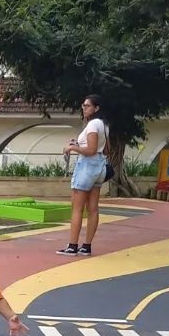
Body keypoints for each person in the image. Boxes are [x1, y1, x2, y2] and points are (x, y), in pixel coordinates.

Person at [57, 95, 108, 256]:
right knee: (93, 209)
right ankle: (86, 246)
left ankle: (72, 245)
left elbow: (91, 150)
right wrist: (80, 145)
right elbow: (105, 149)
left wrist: (72, 148)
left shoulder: (93, 124)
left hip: (87, 165)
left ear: (96, 108)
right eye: (83, 105)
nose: (84, 108)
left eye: (87, 106)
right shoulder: (104, 125)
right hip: (99, 166)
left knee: (77, 208)